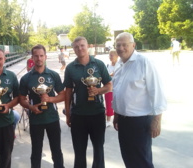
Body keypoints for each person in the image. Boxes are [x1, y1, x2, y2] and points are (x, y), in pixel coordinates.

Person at [112, 32, 167, 168]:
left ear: (133, 45)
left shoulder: (143, 62)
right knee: (128, 158)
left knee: (142, 160)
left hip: (140, 121)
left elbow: (157, 91)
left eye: (125, 45)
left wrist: (157, 120)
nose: (121, 48)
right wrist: (117, 114)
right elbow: (119, 92)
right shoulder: (119, 64)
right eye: (118, 45)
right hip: (124, 122)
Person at [64, 37, 112, 168]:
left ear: (87, 46)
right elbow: (68, 92)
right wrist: (68, 114)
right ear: (73, 49)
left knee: (98, 150)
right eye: (76, 47)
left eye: (82, 45)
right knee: (79, 151)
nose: (80, 48)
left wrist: (98, 90)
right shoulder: (70, 68)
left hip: (97, 113)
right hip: (78, 115)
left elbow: (109, 85)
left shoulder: (99, 64)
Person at [19, 44, 65, 168]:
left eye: (41, 56)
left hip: (52, 118)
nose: (39, 58)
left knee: (56, 151)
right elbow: (22, 99)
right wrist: (31, 107)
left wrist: (49, 99)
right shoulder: (26, 78)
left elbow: (63, 95)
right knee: (36, 152)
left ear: (45, 57)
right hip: (36, 119)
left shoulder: (53, 75)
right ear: (32, 58)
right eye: (36, 56)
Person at [105, 50, 120, 127]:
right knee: (108, 105)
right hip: (109, 88)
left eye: (112, 55)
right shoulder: (108, 65)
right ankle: (108, 121)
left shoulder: (120, 65)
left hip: (118, 89)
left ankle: (118, 120)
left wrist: (110, 75)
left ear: (117, 56)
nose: (110, 57)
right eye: (109, 55)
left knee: (118, 105)